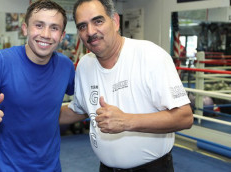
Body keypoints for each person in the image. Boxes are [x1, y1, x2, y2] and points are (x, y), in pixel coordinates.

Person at [60, 0, 193, 171]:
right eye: (82, 26)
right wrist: (33, 114)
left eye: (98, 21)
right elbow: (81, 109)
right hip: (106, 168)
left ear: (115, 21)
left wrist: (126, 121)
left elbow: (184, 117)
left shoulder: (150, 55)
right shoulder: (85, 65)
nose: (90, 31)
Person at [0, 0, 74, 171]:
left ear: (62, 35)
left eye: (54, 28)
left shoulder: (65, 66)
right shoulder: (1, 61)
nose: (46, 34)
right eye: (39, 25)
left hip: (51, 167)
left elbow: (75, 106)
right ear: (25, 28)